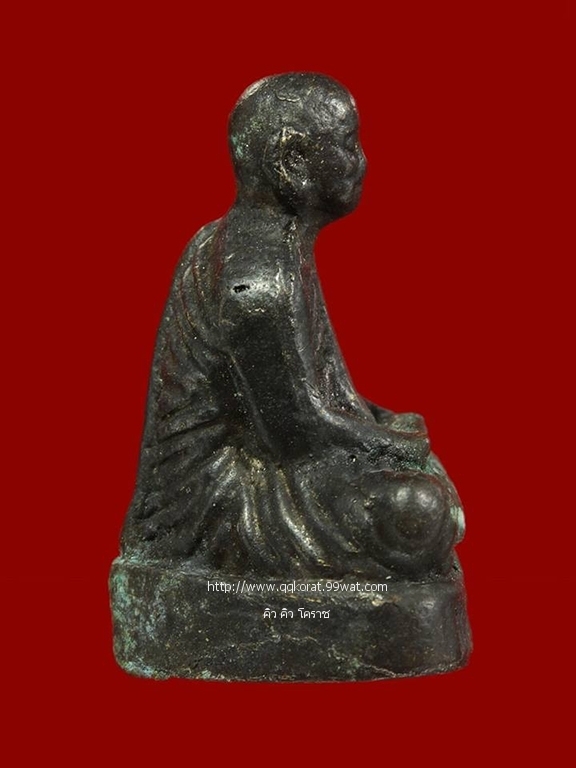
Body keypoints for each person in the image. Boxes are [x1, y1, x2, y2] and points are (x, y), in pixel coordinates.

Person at [121, 73, 464, 580]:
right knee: (417, 511)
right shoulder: (258, 283)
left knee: (419, 476)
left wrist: (379, 420)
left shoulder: (275, 244)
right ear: (293, 163)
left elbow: (321, 391)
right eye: (347, 145)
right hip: (218, 497)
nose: (361, 162)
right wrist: (390, 444)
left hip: (276, 459)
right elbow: (296, 434)